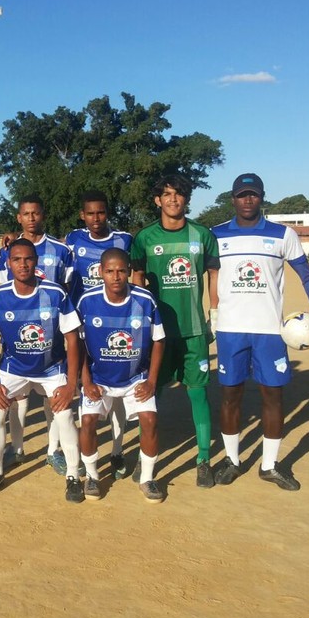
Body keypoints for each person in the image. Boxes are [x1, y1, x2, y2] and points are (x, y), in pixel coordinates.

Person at [210, 173, 309, 491]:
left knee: (273, 398)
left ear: (262, 197)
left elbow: (306, 275)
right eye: (241, 195)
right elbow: (201, 277)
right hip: (230, 330)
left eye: (253, 194)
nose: (247, 200)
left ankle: (270, 465)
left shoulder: (282, 235)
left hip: (269, 332)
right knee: (230, 397)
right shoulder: (216, 235)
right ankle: (232, 460)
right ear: (232, 198)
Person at [0, 239, 85, 502]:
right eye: (16, 260)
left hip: (51, 368)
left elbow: (72, 338)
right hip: (14, 369)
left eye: (28, 259)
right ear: (8, 263)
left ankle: (72, 476)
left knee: (64, 416)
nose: (23, 264)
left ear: (36, 261)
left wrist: (71, 383)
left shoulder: (55, 293)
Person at [130, 174, 219, 488]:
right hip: (158, 334)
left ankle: (204, 459)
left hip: (194, 330)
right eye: (167, 194)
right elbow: (137, 281)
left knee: (198, 393)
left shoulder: (202, 235)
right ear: (158, 200)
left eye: (179, 194)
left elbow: (212, 276)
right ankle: (146, 458)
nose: (173, 200)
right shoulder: (143, 238)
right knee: (150, 396)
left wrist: (215, 314)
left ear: (187, 199)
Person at [77, 248, 166, 502]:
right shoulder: (87, 301)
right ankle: (93, 477)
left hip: (135, 378)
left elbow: (159, 341)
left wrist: (151, 380)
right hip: (99, 379)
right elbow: (79, 344)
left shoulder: (144, 300)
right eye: (109, 271)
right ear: (100, 272)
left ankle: (148, 478)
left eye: (121, 271)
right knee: (88, 422)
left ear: (128, 271)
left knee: (149, 420)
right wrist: (86, 380)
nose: (116, 276)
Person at [0, 194, 75, 467]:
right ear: (19, 217)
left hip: (52, 334)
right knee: (18, 396)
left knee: (53, 397)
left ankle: (53, 450)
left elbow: (67, 288)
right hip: (18, 336)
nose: (31, 218)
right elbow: (5, 289)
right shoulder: (9, 249)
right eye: (26, 214)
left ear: (43, 215)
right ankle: (17, 448)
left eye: (36, 213)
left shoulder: (61, 250)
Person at [63, 190, 134, 476]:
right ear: (83, 215)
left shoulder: (124, 240)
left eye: (101, 212)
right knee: (88, 388)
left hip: (119, 319)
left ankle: (117, 451)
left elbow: (137, 275)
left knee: (116, 394)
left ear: (108, 213)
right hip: (84, 320)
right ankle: (79, 454)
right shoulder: (72, 239)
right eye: (90, 213)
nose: (96, 218)